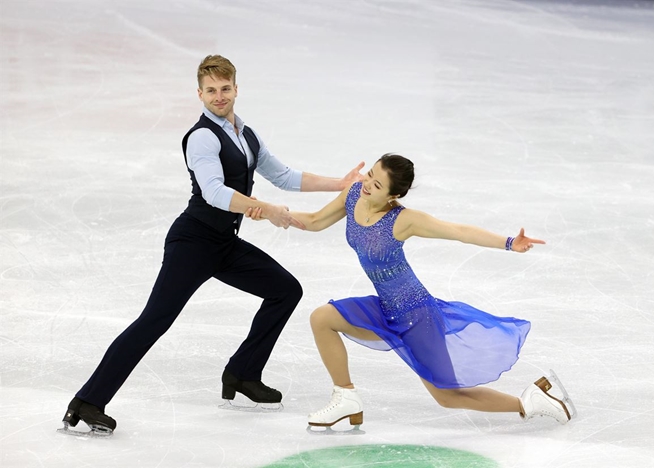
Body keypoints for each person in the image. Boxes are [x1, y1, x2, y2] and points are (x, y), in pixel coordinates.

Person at [59, 54, 364, 436]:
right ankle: (87, 402)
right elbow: (215, 193)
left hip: (224, 242)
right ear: (199, 93)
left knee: (285, 290)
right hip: (193, 242)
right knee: (155, 320)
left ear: (236, 88)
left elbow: (283, 176)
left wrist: (341, 183)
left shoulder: (246, 134)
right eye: (211, 91)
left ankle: (243, 373)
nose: (218, 97)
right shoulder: (202, 136)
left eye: (225, 89)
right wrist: (264, 209)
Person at [282, 153, 574, 431]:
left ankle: (530, 402)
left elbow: (458, 231)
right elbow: (315, 221)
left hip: (416, 315)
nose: (368, 184)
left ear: (393, 195)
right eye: (370, 174)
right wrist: (273, 213)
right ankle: (345, 398)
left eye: (378, 184)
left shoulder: (403, 220)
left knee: (448, 396)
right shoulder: (354, 194)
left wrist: (509, 242)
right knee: (322, 318)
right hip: (385, 309)